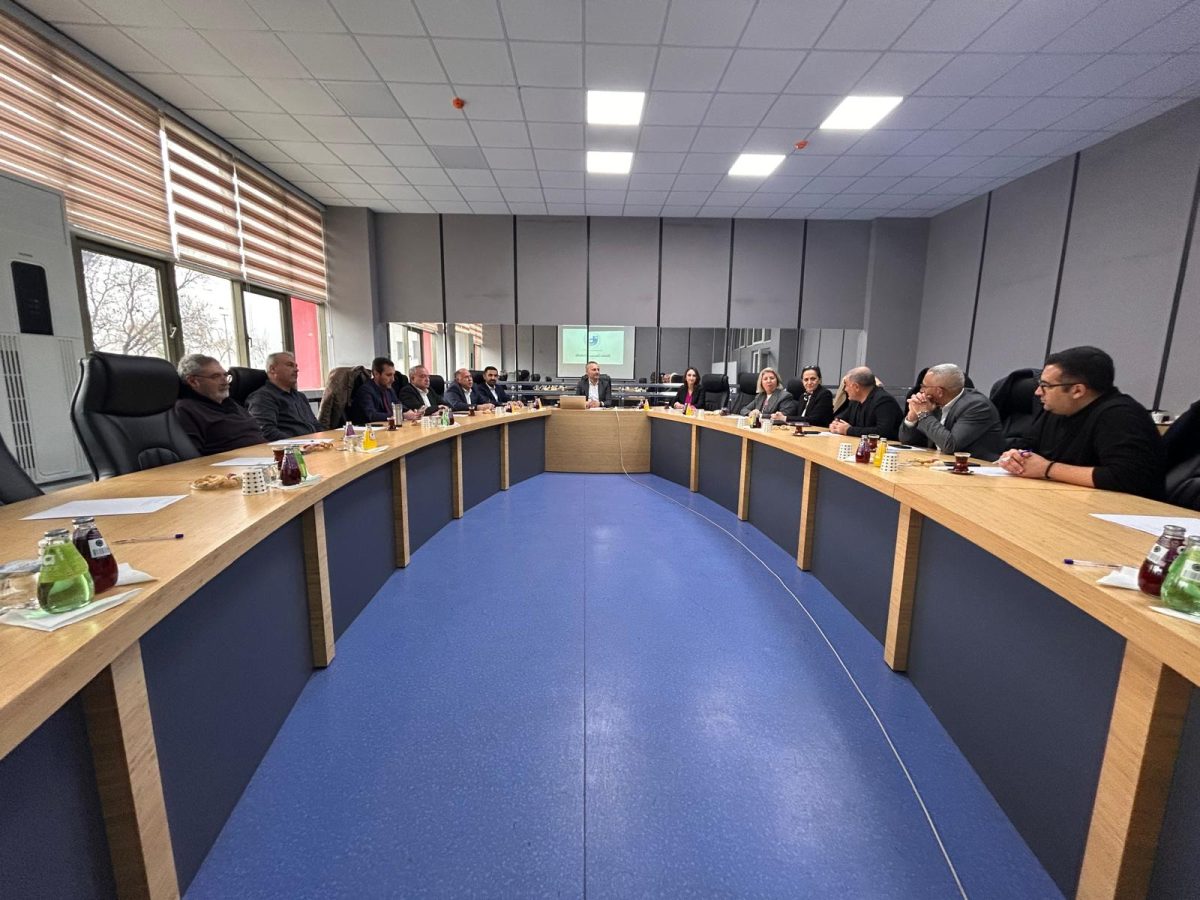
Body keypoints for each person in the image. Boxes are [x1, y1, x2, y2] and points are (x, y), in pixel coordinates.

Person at [997, 346, 1166, 499]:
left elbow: (1126, 477)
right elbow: (1028, 447)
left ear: (1077, 390)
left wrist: (1047, 469)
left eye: (1045, 385)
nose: (1037, 392)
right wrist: (1015, 458)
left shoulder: (1121, 415)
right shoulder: (1057, 409)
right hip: (1063, 498)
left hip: (1121, 509)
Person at [899, 363, 1006, 460]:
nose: (921, 390)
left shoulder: (977, 406)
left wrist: (923, 414)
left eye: (924, 386)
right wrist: (912, 416)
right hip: (943, 463)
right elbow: (907, 440)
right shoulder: (934, 403)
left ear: (939, 391)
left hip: (977, 468)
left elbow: (950, 446)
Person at [174, 353, 264, 455]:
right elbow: (192, 457)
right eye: (216, 376)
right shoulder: (185, 409)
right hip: (231, 463)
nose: (225, 382)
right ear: (193, 381)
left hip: (263, 456)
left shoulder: (231, 403)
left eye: (225, 375)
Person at [246, 351, 322, 440]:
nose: (296, 370)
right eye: (290, 365)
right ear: (272, 369)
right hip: (291, 447)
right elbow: (266, 431)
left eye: (296, 366)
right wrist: (300, 443)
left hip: (313, 444)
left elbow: (316, 425)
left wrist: (324, 439)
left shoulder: (300, 397)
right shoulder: (262, 398)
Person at [829, 367, 902, 439]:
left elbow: (883, 431)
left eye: (846, 385)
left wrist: (849, 430)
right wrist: (835, 425)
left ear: (856, 387)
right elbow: (842, 418)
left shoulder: (884, 401)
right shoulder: (855, 401)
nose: (845, 389)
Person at [347, 357, 400, 424]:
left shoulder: (389, 389)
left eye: (393, 375)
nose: (393, 379)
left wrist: (409, 412)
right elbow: (372, 415)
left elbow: (398, 405)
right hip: (368, 428)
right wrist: (397, 415)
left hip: (387, 426)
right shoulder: (365, 391)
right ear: (376, 374)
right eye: (388, 375)